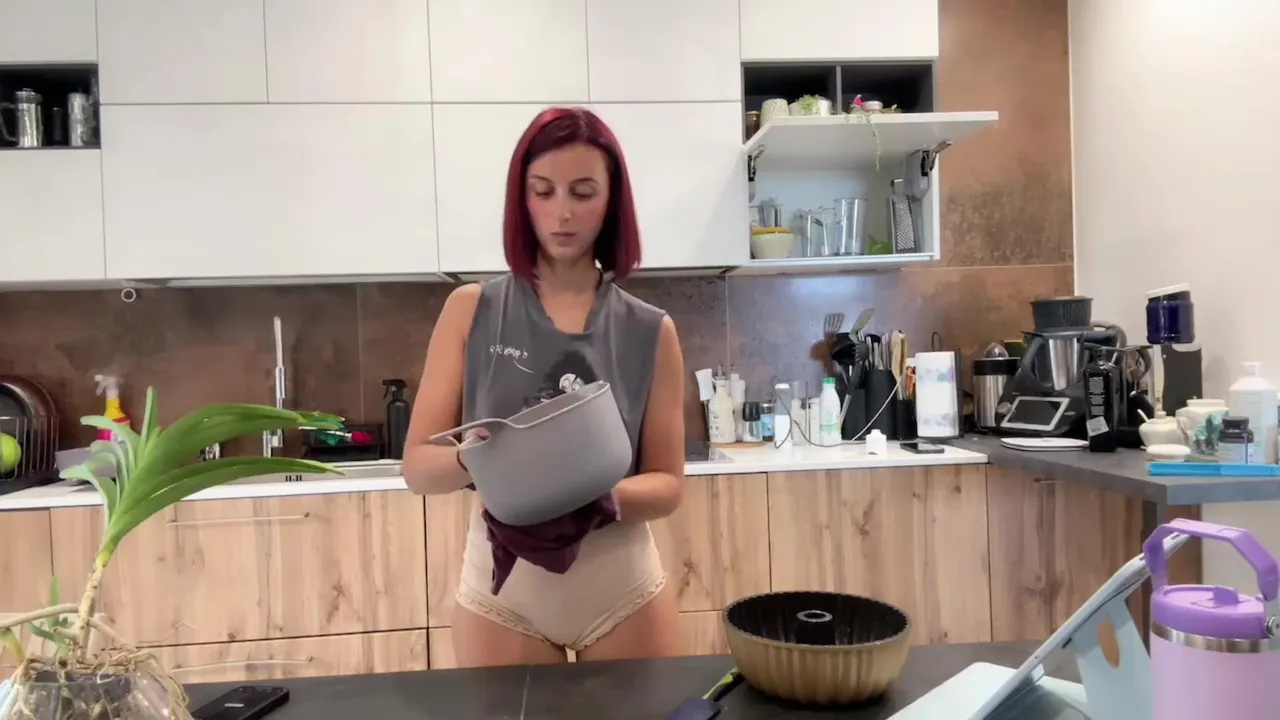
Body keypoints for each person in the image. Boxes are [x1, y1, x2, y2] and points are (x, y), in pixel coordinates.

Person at [402, 107, 687, 668]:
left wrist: (596, 501)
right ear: (522, 199)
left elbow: (668, 485)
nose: (563, 212)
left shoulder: (652, 331)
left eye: (583, 192)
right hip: (504, 596)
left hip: (623, 589)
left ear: (612, 201)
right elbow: (417, 468)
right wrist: (481, 457)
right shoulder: (470, 310)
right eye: (543, 191)